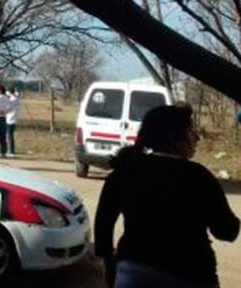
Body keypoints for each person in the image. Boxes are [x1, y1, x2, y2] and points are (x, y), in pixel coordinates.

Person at [95, 105, 239, 288]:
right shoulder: (198, 177)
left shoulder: (125, 171)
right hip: (192, 276)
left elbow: (103, 224)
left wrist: (110, 266)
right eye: (191, 130)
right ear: (174, 137)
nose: (197, 137)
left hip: (132, 273)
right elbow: (227, 231)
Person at [5, 87, 20, 157]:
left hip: (10, 119)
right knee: (10, 135)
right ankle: (11, 150)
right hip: (14, 119)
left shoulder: (12, 100)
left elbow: (7, 108)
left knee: (9, 136)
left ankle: (11, 151)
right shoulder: (16, 99)